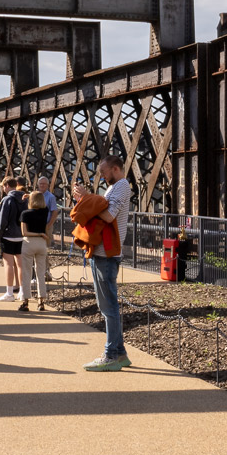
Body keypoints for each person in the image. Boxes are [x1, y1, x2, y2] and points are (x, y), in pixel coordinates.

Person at [74, 156, 132, 371]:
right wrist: (87, 200)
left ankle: (111, 355)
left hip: (107, 254)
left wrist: (88, 198)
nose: (103, 176)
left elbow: (107, 216)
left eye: (104, 172)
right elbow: (101, 210)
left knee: (109, 307)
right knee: (107, 305)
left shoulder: (121, 186)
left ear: (115, 168)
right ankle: (120, 353)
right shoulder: (115, 187)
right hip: (103, 253)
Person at [19, 188, 53, 309]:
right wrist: (33, 195)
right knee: (40, 274)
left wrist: (29, 197)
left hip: (29, 243)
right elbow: (42, 204)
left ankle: (26, 302)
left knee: (27, 273)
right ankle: (41, 302)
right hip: (41, 244)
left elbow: (24, 232)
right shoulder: (45, 211)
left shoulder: (25, 214)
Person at [0, 177, 27, 303]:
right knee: (21, 265)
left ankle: (9, 293)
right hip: (22, 235)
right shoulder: (25, 198)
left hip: (8, 235)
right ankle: (22, 291)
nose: (3, 189)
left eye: (3, 186)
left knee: (8, 264)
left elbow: (2, 220)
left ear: (7, 185)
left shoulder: (7, 199)